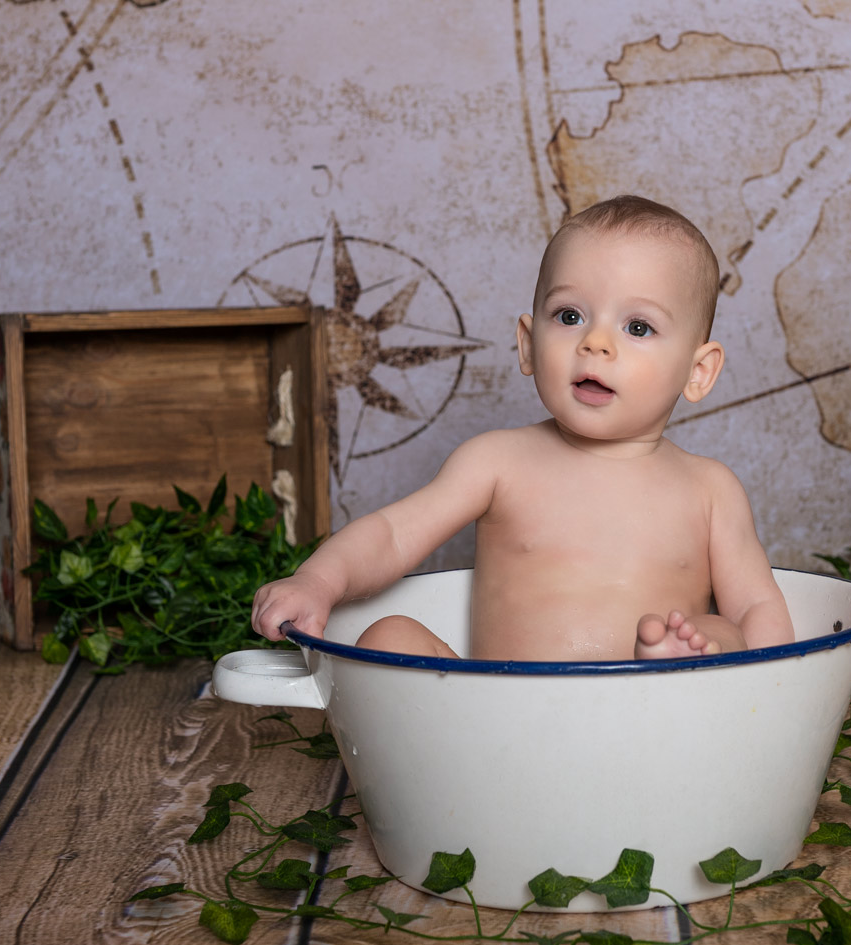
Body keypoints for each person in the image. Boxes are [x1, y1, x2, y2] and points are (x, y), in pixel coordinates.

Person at [251, 195, 793, 661]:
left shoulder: (709, 489)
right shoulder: (497, 462)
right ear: (527, 344)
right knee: (388, 635)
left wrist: (776, 687)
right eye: (570, 316)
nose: (595, 344)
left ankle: (679, 661)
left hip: (656, 719)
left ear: (698, 372)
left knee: (724, 631)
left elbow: (756, 605)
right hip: (501, 720)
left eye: (637, 326)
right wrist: (317, 581)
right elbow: (392, 534)